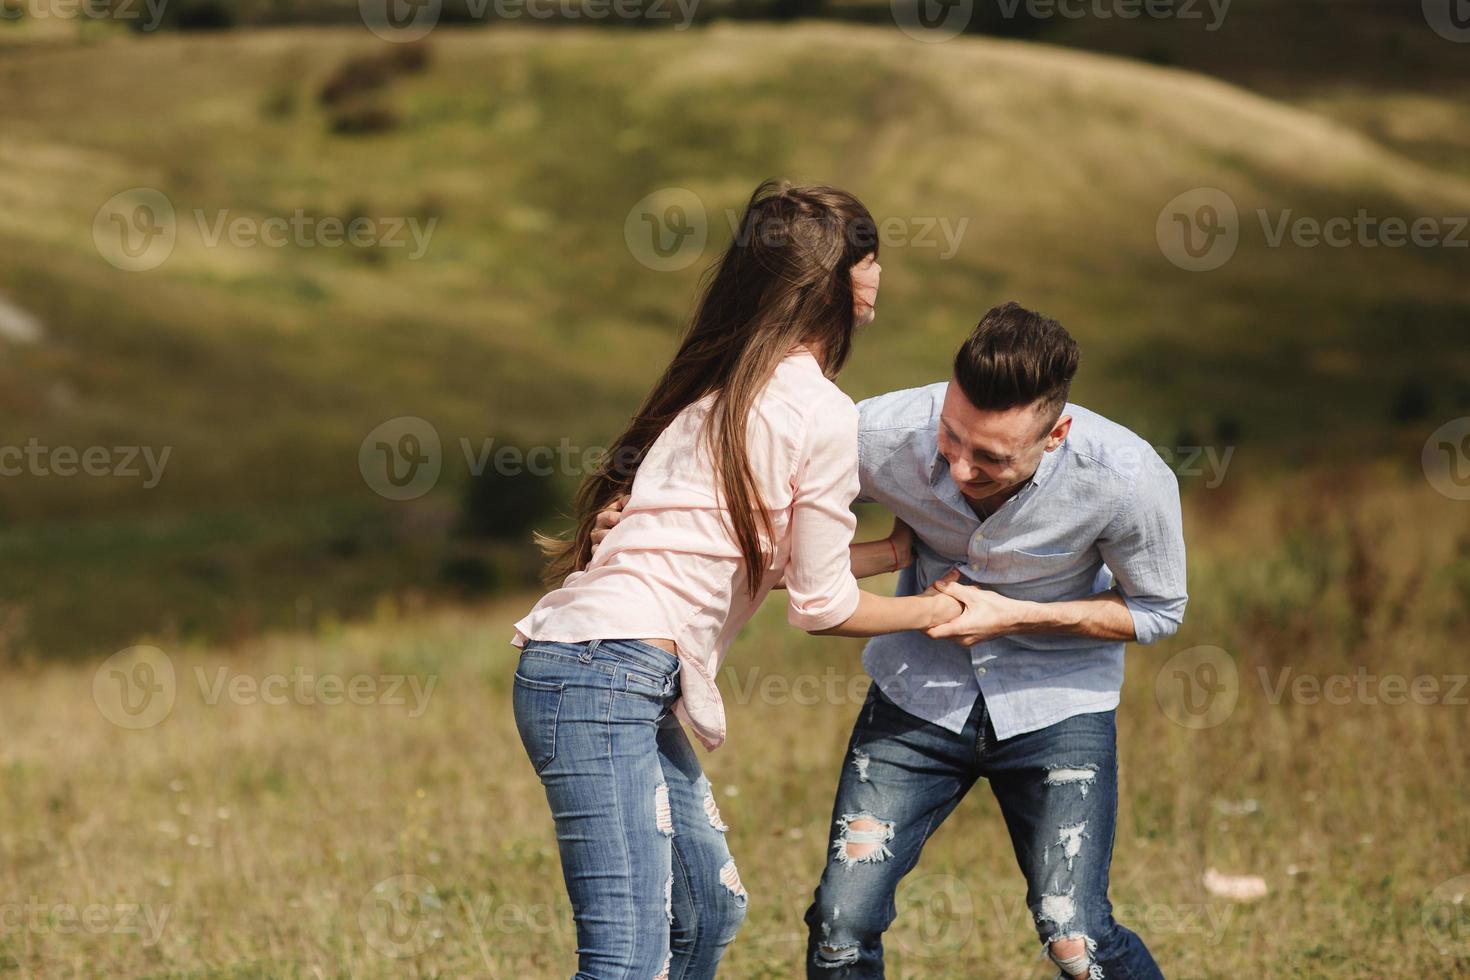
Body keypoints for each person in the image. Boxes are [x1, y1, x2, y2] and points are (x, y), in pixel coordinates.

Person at [596, 301, 1188, 979]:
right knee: (840, 927)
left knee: (1075, 938)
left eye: (991, 457)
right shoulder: (881, 431)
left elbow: (1156, 609)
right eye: (952, 437)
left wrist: (1012, 616)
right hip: (917, 697)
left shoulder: (1127, 478)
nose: (961, 466)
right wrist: (647, 521)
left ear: (1056, 436)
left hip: (1059, 709)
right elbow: (747, 496)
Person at [510, 180, 963, 980]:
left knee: (709, 908)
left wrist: (891, 557)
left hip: (606, 669)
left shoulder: (721, 397)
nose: (880, 274)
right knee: (625, 961)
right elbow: (821, 607)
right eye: (869, 257)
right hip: (605, 672)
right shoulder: (820, 414)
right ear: (835, 282)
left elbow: (752, 557)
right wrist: (939, 608)